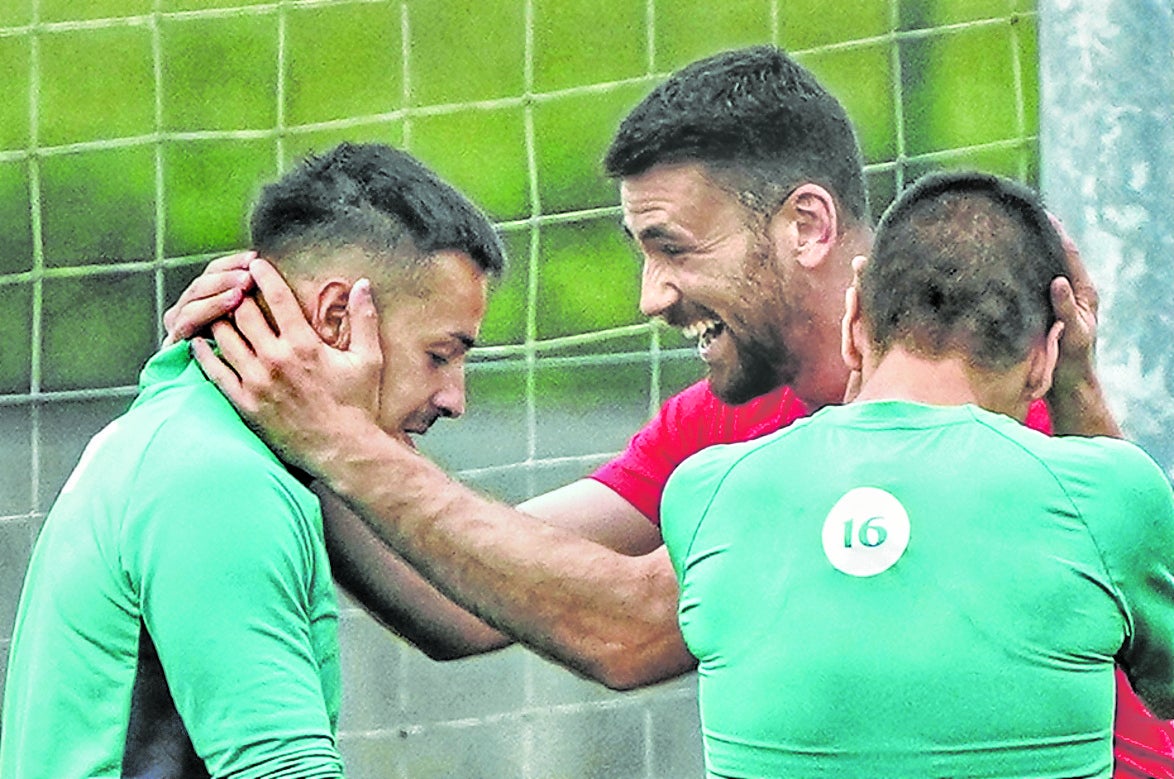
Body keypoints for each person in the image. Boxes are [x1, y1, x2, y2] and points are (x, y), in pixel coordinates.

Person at [165, 47, 1170, 776]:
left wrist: (334, 436)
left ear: (807, 227)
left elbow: (630, 624)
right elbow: (476, 593)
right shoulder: (715, 438)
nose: (649, 295)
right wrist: (290, 401)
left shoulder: (1026, 420)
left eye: (672, 246)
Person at [0, 142, 504, 778]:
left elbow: (470, 607)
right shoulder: (218, 483)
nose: (454, 398)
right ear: (338, 317)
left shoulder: (190, 435)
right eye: (440, 355)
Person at [660, 169, 1174, 778]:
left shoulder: (705, 493)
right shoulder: (1110, 495)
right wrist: (1080, 388)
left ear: (855, 324)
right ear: (1046, 357)